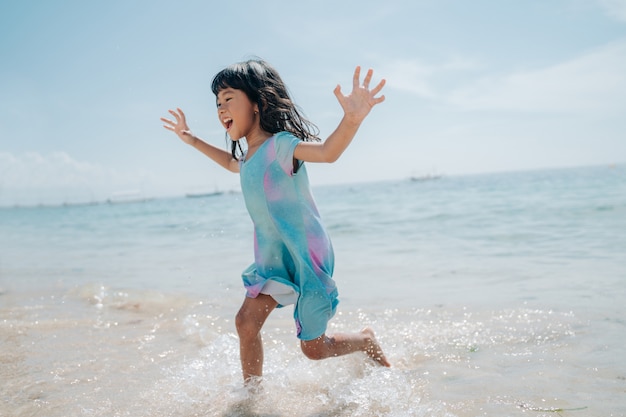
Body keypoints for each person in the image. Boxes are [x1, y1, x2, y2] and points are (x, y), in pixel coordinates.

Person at [161, 59, 390, 383]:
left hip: (305, 254)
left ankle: (365, 340)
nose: (221, 109)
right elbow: (231, 162)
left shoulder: (280, 146)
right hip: (273, 260)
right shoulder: (247, 158)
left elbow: (327, 152)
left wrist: (351, 120)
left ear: (258, 104)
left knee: (313, 349)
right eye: (217, 103)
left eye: (228, 99)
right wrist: (192, 139)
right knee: (245, 323)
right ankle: (252, 397)